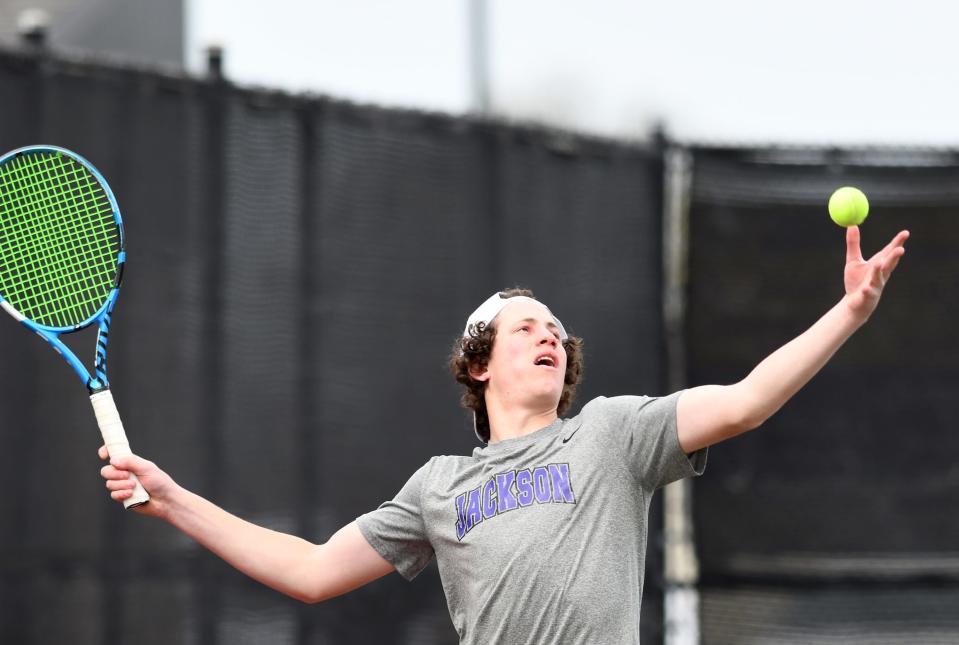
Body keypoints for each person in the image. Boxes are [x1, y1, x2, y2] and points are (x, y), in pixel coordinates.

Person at [101, 225, 908, 644]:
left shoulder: (612, 432)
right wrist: (174, 501)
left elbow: (745, 401)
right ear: (478, 364)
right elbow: (311, 570)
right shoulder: (438, 486)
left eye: (556, 328)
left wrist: (849, 312)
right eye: (526, 327)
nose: (548, 334)